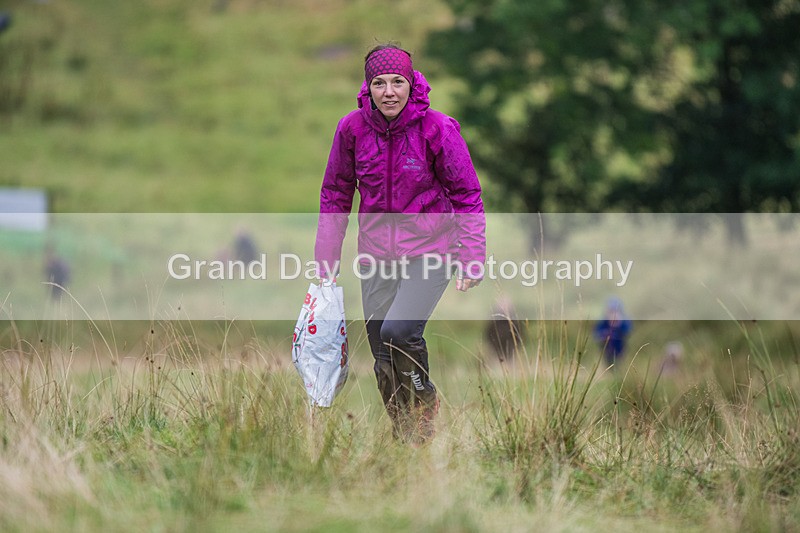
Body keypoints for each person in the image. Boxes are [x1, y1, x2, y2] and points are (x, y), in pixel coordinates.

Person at [314, 43, 485, 444]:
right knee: (382, 356)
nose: (389, 92)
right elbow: (336, 194)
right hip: (376, 255)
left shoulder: (437, 129)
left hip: (432, 250)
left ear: (412, 83)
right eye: (379, 83)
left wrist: (471, 256)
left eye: (397, 82)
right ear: (367, 87)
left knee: (400, 330)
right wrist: (326, 259)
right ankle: (407, 436)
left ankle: (424, 404)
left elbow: (467, 194)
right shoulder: (352, 129)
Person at [593, 297, 632, 367]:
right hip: (606, 350)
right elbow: (596, 335)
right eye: (611, 312)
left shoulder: (624, 321)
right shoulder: (603, 322)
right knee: (607, 363)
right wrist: (604, 334)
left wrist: (618, 326)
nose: (614, 315)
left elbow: (628, 331)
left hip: (620, 348)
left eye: (616, 312)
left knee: (620, 364)